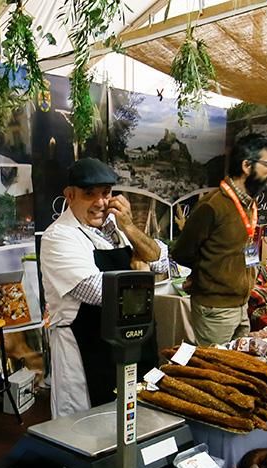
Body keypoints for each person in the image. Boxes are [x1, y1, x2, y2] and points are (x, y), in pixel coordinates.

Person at [40, 158, 171, 418]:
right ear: (70, 195)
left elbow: (164, 263)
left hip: (135, 347)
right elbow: (101, 292)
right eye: (90, 194)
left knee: (139, 419)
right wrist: (140, 270)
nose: (100, 202)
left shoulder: (119, 228)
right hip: (88, 350)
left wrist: (131, 228)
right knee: (91, 431)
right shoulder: (59, 237)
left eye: (106, 193)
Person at [172, 133, 267, 345]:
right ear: (247, 166)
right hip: (215, 309)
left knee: (239, 366)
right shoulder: (212, 206)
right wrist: (209, 277)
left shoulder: (249, 204)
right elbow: (182, 252)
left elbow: (243, 247)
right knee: (217, 371)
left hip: (241, 305)